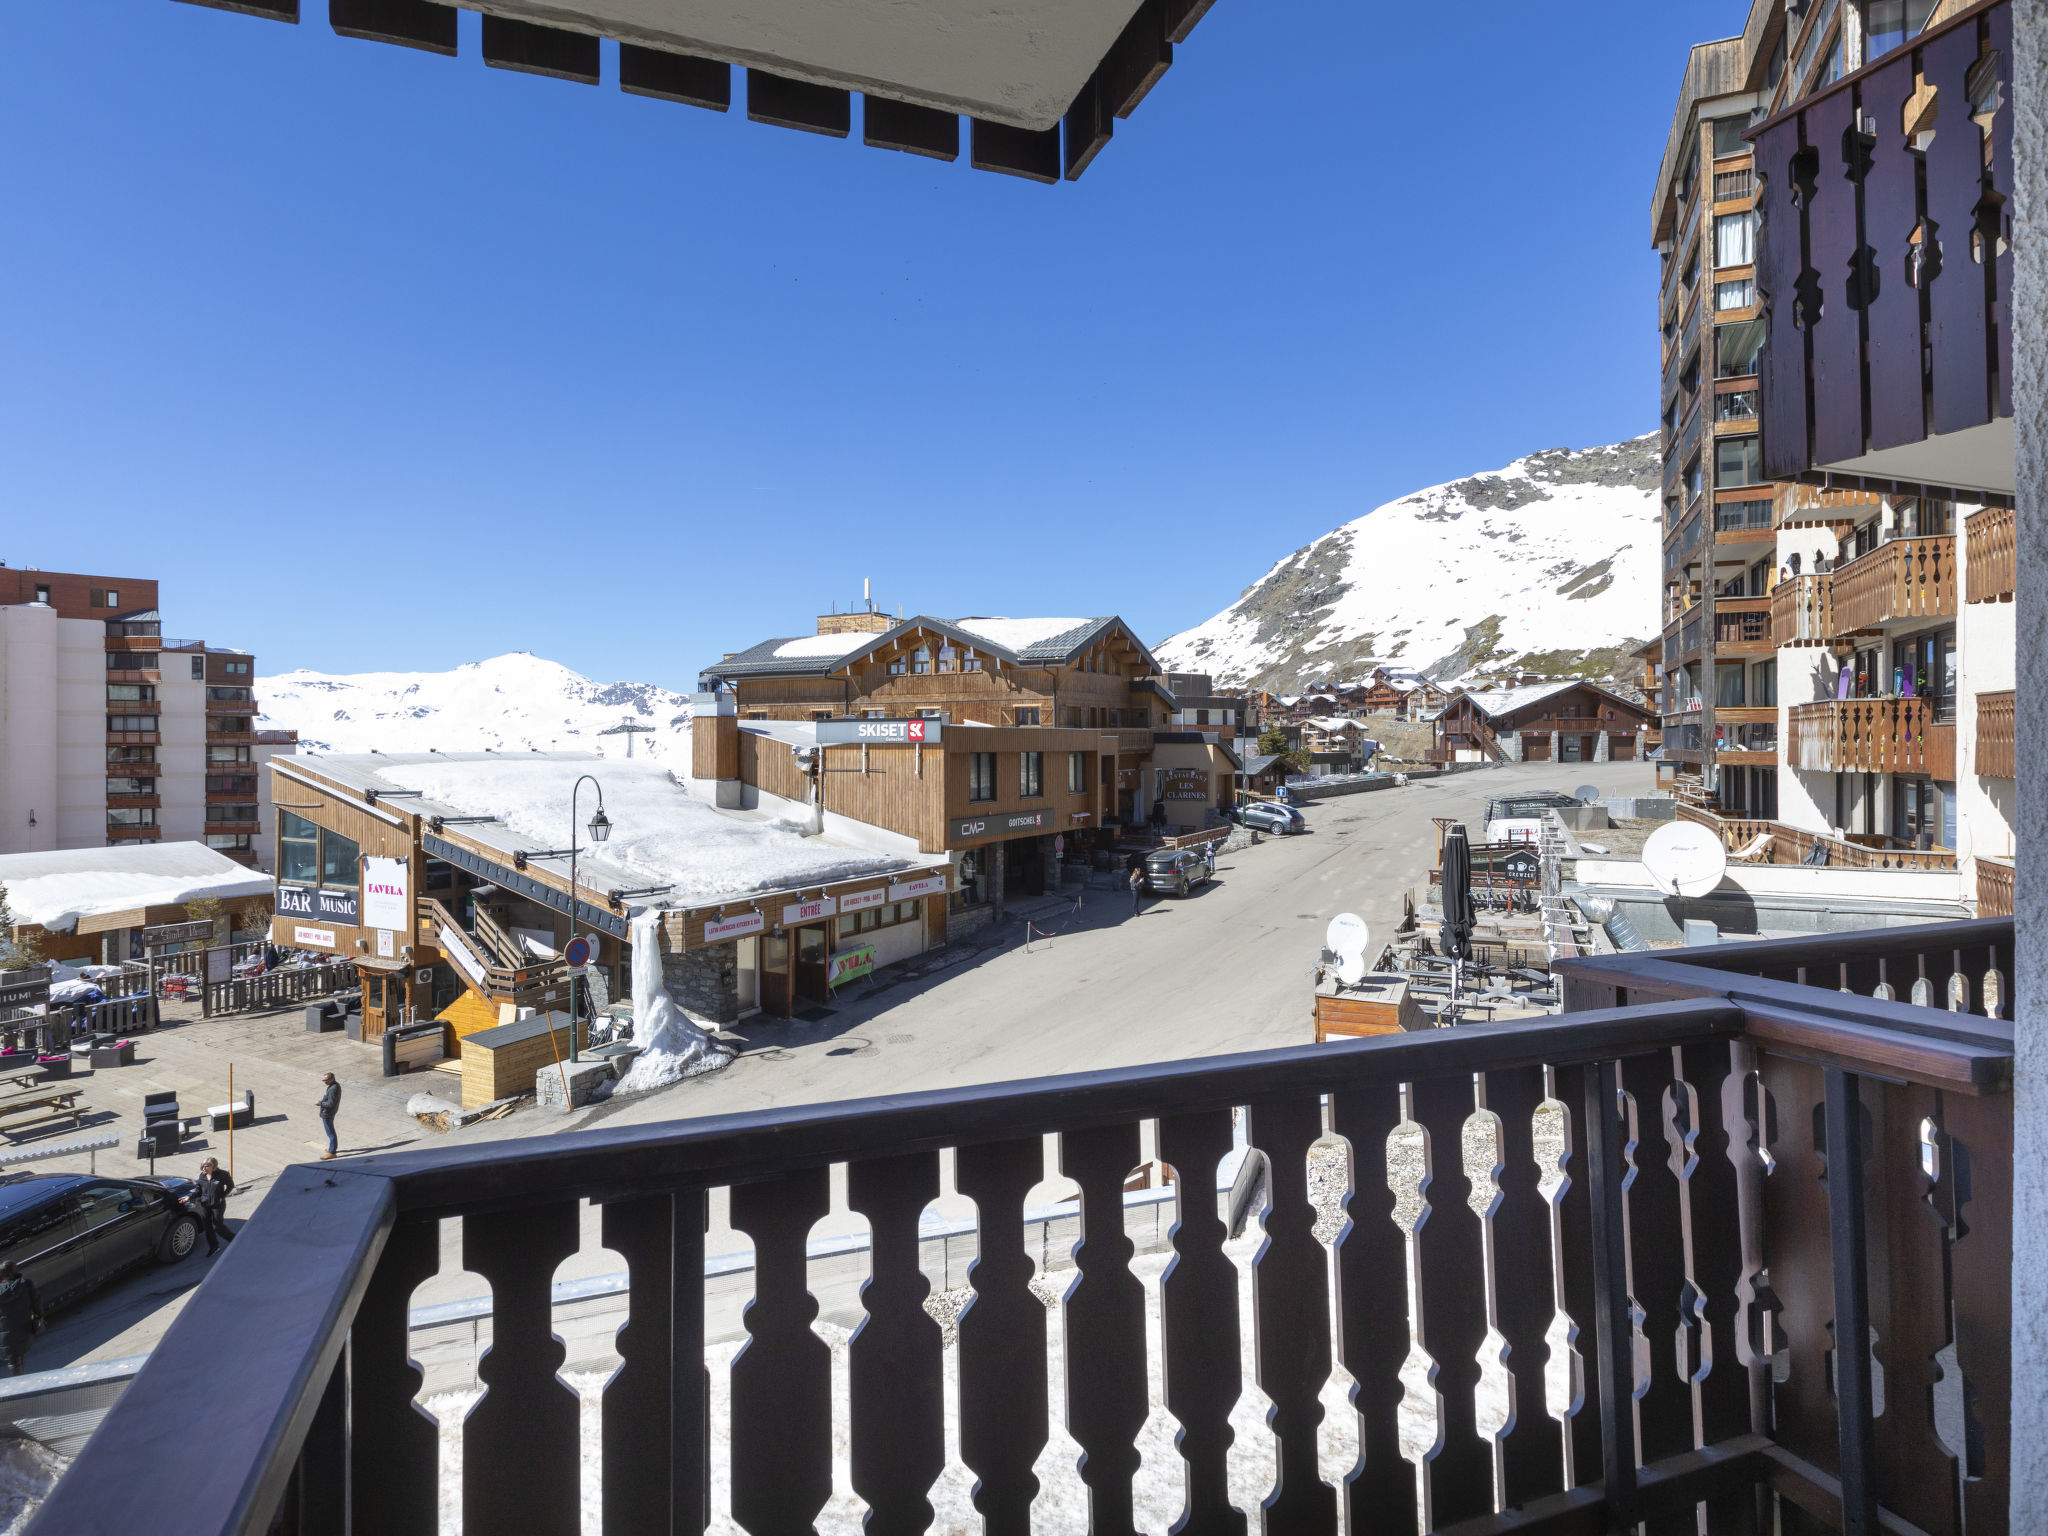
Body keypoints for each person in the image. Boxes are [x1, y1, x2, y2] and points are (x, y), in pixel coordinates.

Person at [0, 1262, 42, 1377]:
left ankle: (18, 1381)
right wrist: (39, 1317)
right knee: (20, 1353)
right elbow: (36, 1303)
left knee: (13, 1359)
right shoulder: (26, 1284)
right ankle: (20, 1379)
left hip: (5, 1333)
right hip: (24, 1327)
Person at [191, 1157, 235, 1255]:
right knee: (208, 1227)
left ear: (214, 1166)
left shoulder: (222, 1175)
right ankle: (214, 1246)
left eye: (207, 1166)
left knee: (217, 1226)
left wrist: (222, 1196)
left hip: (217, 1205)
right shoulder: (202, 1176)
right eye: (202, 1166)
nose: (204, 1168)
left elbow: (230, 1186)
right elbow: (199, 1190)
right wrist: (188, 1198)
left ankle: (234, 1240)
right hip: (205, 1204)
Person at [316, 1072, 341, 1159]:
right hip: (331, 1112)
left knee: (330, 1132)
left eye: (326, 1080)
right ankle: (332, 1147)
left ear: (331, 1079)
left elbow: (330, 1104)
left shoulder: (332, 1089)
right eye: (324, 1080)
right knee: (331, 1131)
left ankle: (332, 1152)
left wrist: (320, 1103)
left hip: (328, 1113)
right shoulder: (336, 1085)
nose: (324, 1082)